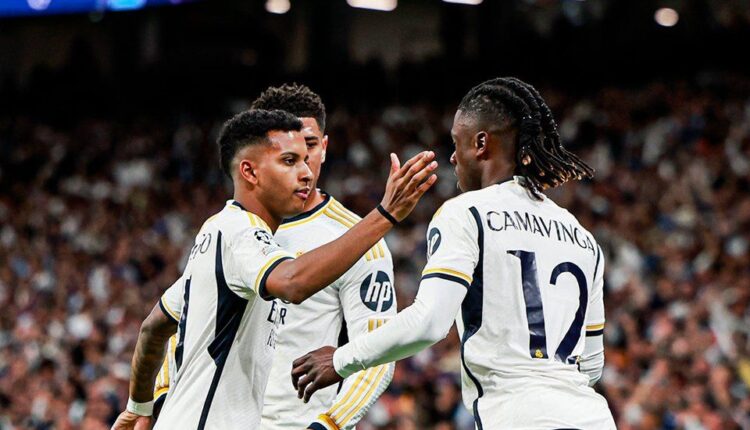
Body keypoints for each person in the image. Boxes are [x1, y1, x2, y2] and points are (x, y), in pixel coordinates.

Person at [291, 77, 616, 429]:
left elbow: (429, 322)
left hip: (516, 415)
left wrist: (340, 359)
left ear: (480, 143)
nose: (452, 156)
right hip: (593, 418)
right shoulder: (582, 237)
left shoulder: (468, 212)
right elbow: (592, 364)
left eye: (455, 143)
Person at [110, 108, 437, 430]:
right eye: (289, 161)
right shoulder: (240, 233)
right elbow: (292, 283)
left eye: (307, 154)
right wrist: (385, 214)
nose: (306, 172)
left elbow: (154, 327)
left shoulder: (217, 232)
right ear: (250, 172)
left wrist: (140, 408)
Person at [252, 84, 396, 430]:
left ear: (326, 148)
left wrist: (328, 425)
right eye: (286, 150)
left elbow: (379, 355)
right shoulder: (233, 226)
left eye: (311, 145)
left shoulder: (359, 240)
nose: (302, 161)